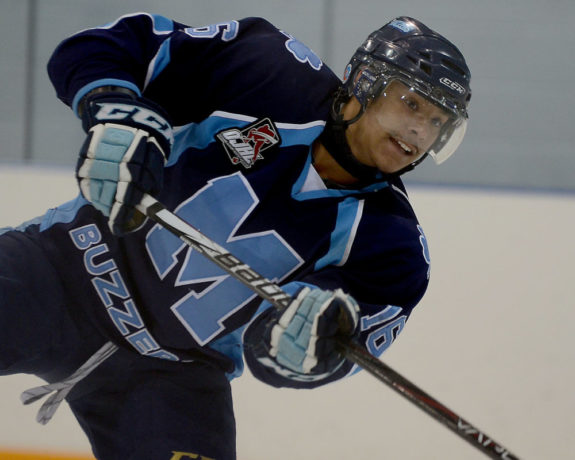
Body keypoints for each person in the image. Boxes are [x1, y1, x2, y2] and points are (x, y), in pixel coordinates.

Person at [0, 12, 471, 460]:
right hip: (61, 271)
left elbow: (287, 355)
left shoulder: (393, 249)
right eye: (411, 103)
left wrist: (299, 347)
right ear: (365, 82)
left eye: (436, 122)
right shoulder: (269, 72)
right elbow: (102, 47)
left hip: (171, 376)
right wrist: (118, 113)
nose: (418, 130)